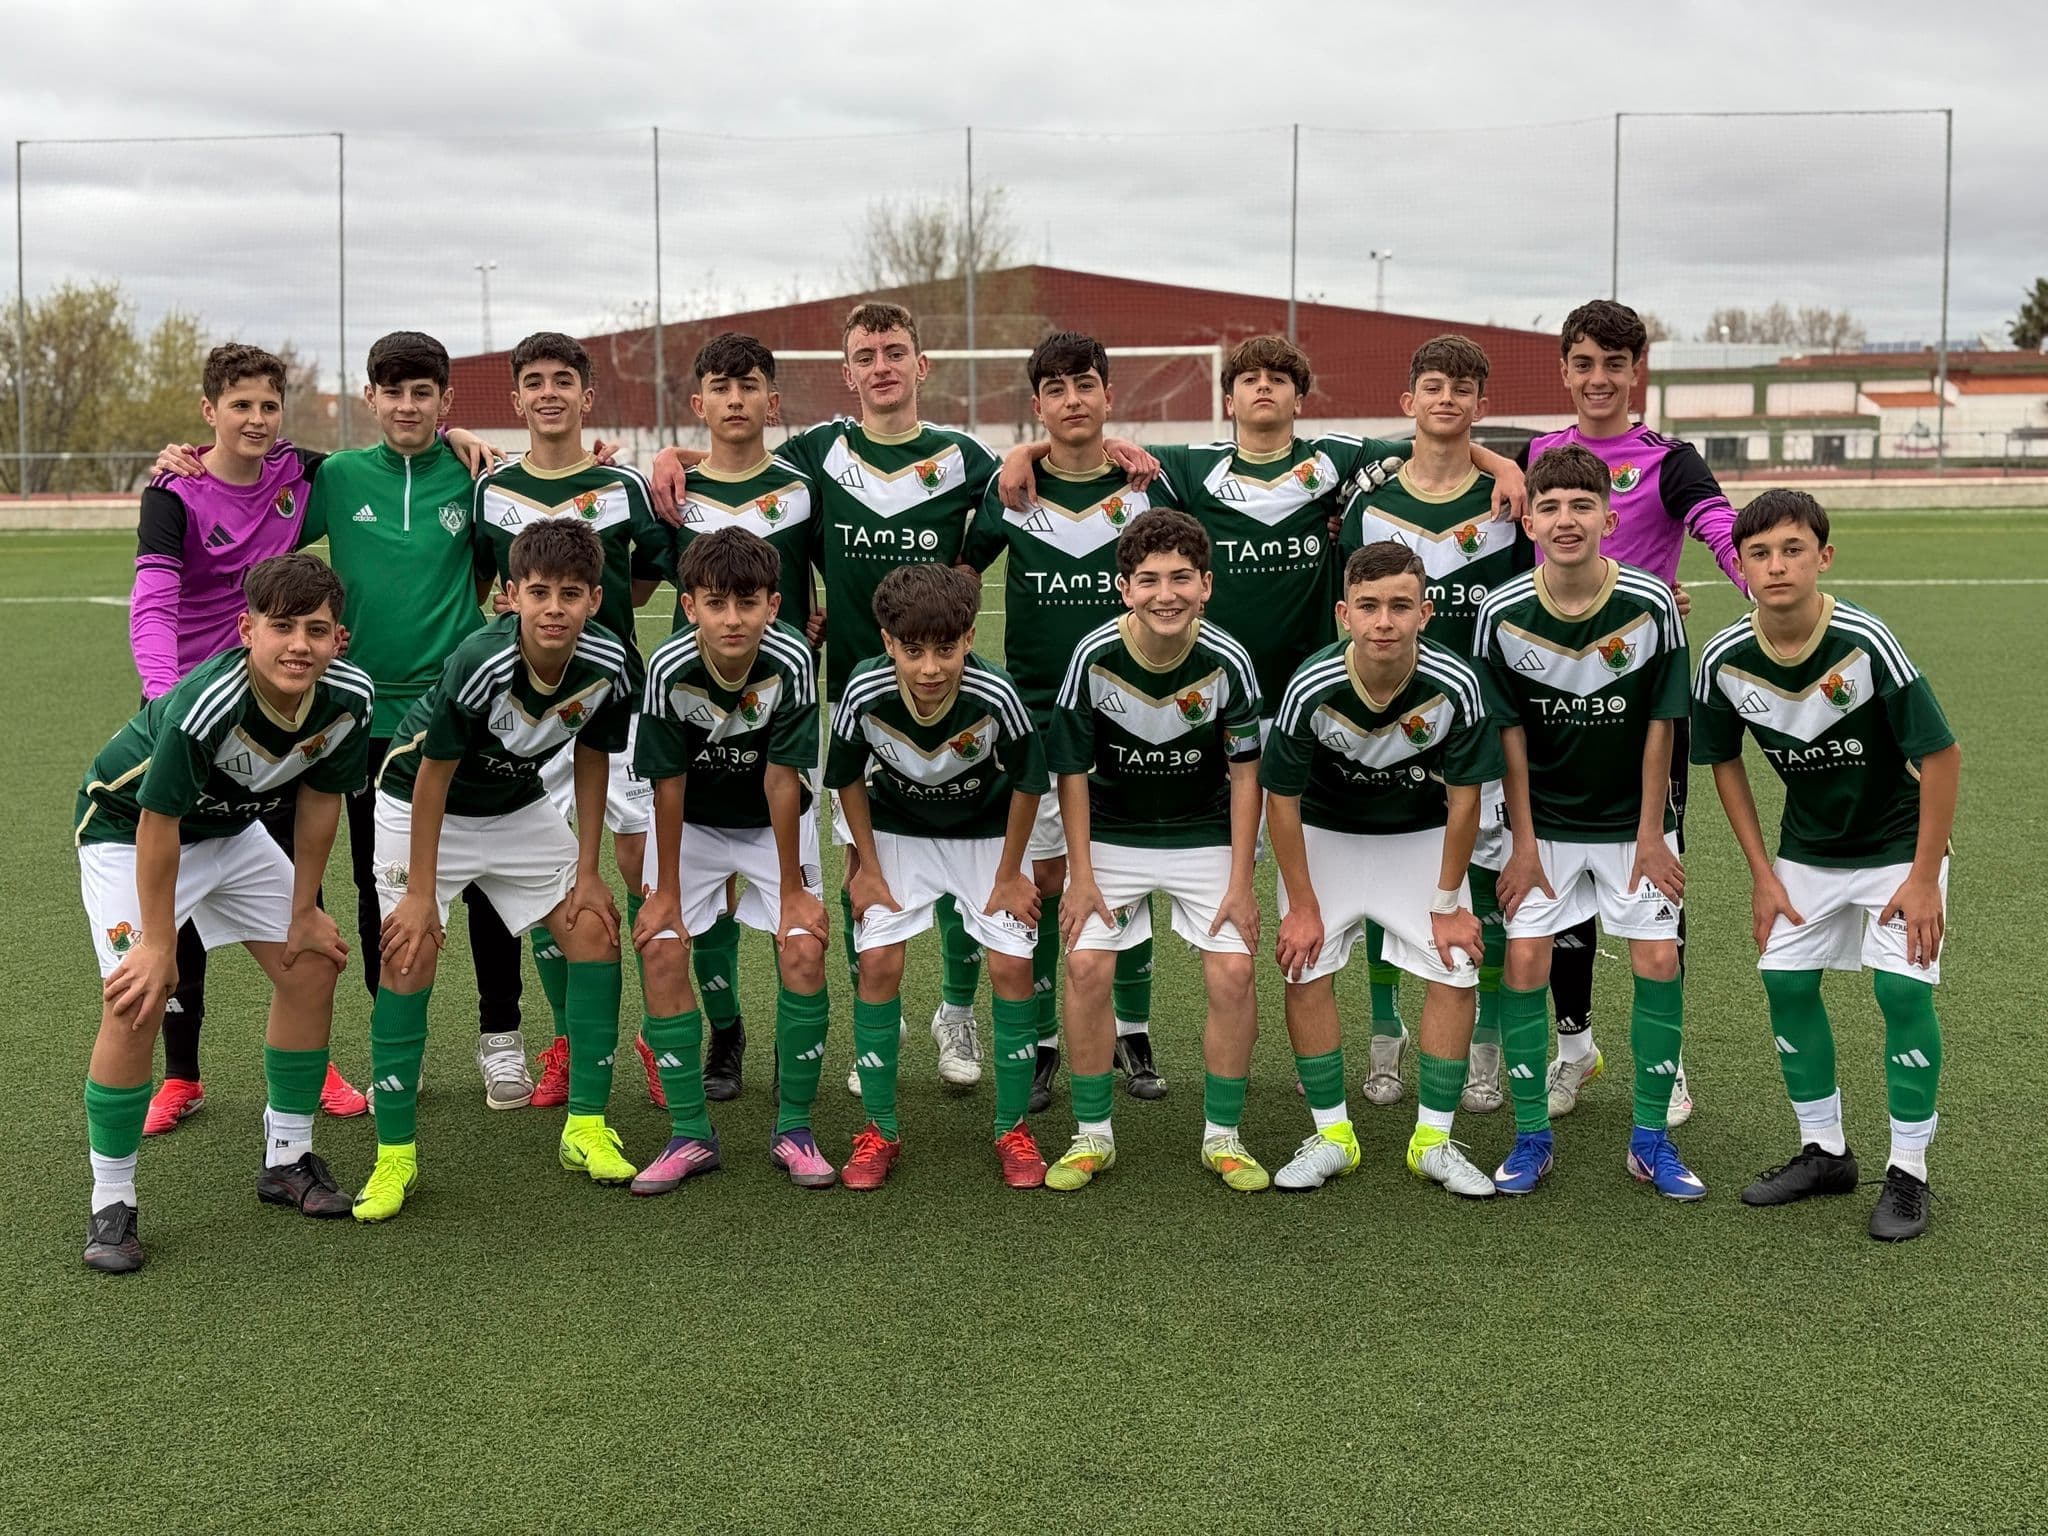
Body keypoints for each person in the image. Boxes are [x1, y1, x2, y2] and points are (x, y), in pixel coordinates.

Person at [655, 303, 1151, 1100]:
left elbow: (1039, 470)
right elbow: (737, 453)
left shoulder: (963, 457)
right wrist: (670, 454)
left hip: (944, 691)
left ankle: (957, 1014)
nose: (881, 365)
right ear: (846, 374)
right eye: (864, 355)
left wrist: (1047, 445)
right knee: (865, 867)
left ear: (922, 367)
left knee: (964, 837)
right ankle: (868, 1037)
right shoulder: (817, 454)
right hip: (851, 702)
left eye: (895, 352)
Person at [77, 553, 371, 1273]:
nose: (299, 643)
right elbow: (156, 821)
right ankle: (111, 1202)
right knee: (137, 1000)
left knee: (313, 964)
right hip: (128, 831)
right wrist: (155, 943)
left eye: (318, 628)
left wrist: (305, 911)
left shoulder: (349, 699)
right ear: (246, 630)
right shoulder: (208, 702)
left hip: (232, 831)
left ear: (340, 640)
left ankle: (288, 1158)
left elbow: (320, 803)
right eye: (282, 627)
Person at [1693, 489, 1958, 1241]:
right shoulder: (1724, 657)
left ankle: (1909, 1171)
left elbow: (1942, 757)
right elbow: (1724, 763)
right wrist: (1762, 874)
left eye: (1792, 550)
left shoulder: (1865, 640)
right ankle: (1827, 1152)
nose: (1776, 566)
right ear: (1739, 566)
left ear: (1823, 557)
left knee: (1903, 995)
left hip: (1899, 851)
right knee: (1784, 981)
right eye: (1759, 553)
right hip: (1806, 853)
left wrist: (1923, 876)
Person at [352, 520, 636, 1222]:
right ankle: (395, 1160)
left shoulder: (612, 661)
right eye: (537, 592)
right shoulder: (480, 661)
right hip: (421, 806)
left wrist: (590, 868)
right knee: (409, 951)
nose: (554, 608)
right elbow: (431, 776)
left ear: (594, 600)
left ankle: (587, 1128)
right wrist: (421, 895)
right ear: (510, 596)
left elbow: (594, 757)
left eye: (571, 593)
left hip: (515, 805)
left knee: (594, 929)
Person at [1519, 300, 1745, 1127]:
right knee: (1558, 878)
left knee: (1656, 874)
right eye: (1584, 363)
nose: (1599, 379)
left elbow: (1717, 525)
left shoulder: (1670, 459)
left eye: (1615, 364)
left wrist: (1750, 578)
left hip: (1646, 700)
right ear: (1566, 369)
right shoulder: (1540, 455)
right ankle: (1572, 1046)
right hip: (1549, 698)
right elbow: (1508, 532)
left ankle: (1666, 1056)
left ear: (1637, 370)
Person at [130, 343, 366, 1130]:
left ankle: (317, 1065)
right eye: (241, 406)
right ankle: (181, 1075)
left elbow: (384, 463)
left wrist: (465, 443)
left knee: (302, 876)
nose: (258, 420)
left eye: (269, 405)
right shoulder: (174, 491)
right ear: (209, 413)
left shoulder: (300, 474)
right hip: (197, 716)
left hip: (284, 702)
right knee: (180, 894)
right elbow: (153, 608)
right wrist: (166, 703)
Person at [1473, 445, 1699, 1200]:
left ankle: (1649, 1141)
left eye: (1582, 505)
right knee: (1526, 963)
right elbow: (1507, 734)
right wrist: (1523, 843)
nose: (1566, 520)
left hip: (1631, 824)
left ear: (1608, 516)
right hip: (1543, 828)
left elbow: (1660, 726)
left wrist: (1648, 834)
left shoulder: (1650, 602)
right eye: (1551, 507)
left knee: (1658, 962)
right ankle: (1532, 1136)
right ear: (1529, 520)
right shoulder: (1500, 611)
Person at [960, 332, 1179, 1103]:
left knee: (1132, 877)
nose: (1073, 400)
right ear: (1038, 405)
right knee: (1049, 879)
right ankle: (1047, 1042)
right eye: (1055, 390)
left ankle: (1134, 1035)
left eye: (1085, 384)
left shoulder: (1150, 484)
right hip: (1041, 716)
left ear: (1108, 396)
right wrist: (1014, 456)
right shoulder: (1010, 490)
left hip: (1138, 715)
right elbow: (961, 578)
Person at [1263, 541, 1501, 1197]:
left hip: (1419, 836)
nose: (1384, 622)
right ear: (1345, 613)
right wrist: (1303, 905)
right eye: (1368, 607)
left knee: (1455, 965)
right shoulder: (1310, 683)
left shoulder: (1457, 684)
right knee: (1303, 962)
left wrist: (1450, 901)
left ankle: (1433, 1140)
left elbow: (1464, 801)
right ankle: (1332, 1135)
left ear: (1426, 612)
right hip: (1325, 835)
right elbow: (1279, 800)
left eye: (1400, 606)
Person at [471, 332, 667, 1111]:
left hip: (617, 709)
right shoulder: (489, 491)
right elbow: (484, 586)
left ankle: (658, 1037)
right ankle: (571, 1043)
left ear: (587, 397)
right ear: (516, 399)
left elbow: (651, 573)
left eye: (563, 381)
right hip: (524, 719)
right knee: (552, 885)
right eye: (533, 382)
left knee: (645, 878)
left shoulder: (623, 486)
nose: (548, 393)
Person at [1043, 510, 1267, 1192]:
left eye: (1180, 579)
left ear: (1206, 585)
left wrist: (1240, 880)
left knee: (1232, 975)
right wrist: (1080, 878)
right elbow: (1072, 775)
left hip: (1204, 835)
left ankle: (1223, 1137)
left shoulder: (1228, 660)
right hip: (1111, 833)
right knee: (1085, 968)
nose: (1165, 594)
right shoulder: (1092, 656)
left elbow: (1246, 774)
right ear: (1124, 588)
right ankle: (1091, 1136)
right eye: (1148, 580)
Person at [1339, 334, 1530, 1116]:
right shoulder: (1369, 500)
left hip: (1483, 722)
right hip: (1388, 722)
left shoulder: (1509, 500)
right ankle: (1386, 1037)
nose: (1446, 399)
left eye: (1463, 389)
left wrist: (1505, 466)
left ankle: (1484, 1048)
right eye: (1432, 386)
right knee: (1391, 883)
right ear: (1407, 400)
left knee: (1480, 888)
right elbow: (1344, 611)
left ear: (1483, 406)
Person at [823, 563, 1049, 1191]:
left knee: (1011, 966)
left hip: (985, 833)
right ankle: (879, 1129)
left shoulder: (995, 694)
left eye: (946, 650)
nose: (930, 668)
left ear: (969, 639)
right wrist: (866, 866)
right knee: (879, 964)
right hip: (898, 831)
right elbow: (845, 777)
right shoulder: (863, 693)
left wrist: (1008, 876)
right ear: (888, 641)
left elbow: (1031, 779)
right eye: (913, 650)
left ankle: (1012, 1128)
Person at [630, 528, 834, 1192]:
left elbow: (783, 779)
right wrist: (660, 893)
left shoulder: (794, 660)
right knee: (661, 946)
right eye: (716, 603)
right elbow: (669, 782)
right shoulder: (666, 667)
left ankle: (795, 1128)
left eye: (747, 603)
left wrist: (792, 891)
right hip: (690, 821)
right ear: (689, 606)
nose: (732, 619)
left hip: (772, 819)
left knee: (803, 946)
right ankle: (690, 1134)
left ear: (773, 604)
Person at [662, 332, 827, 1102]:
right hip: (686, 713)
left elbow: (838, 577)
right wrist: (666, 458)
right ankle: (723, 1031)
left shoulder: (805, 489)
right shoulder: (669, 492)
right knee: (692, 899)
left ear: (772, 400)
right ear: (699, 405)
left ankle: (821, 1063)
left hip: (780, 713)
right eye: (720, 389)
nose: (735, 401)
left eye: (749, 386)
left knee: (801, 902)